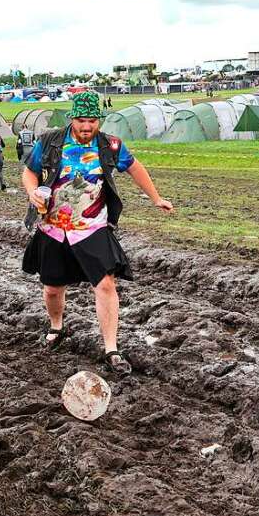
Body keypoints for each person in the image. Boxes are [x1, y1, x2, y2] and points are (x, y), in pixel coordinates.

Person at [21, 91, 173, 375]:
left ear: (99, 121)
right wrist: (32, 193)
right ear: (72, 119)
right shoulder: (50, 141)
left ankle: (111, 348)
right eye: (81, 120)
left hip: (92, 227)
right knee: (53, 288)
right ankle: (56, 326)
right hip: (53, 227)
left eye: (92, 121)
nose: (86, 127)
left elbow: (135, 168)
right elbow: (29, 172)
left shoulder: (110, 146)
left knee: (105, 285)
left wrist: (156, 198)